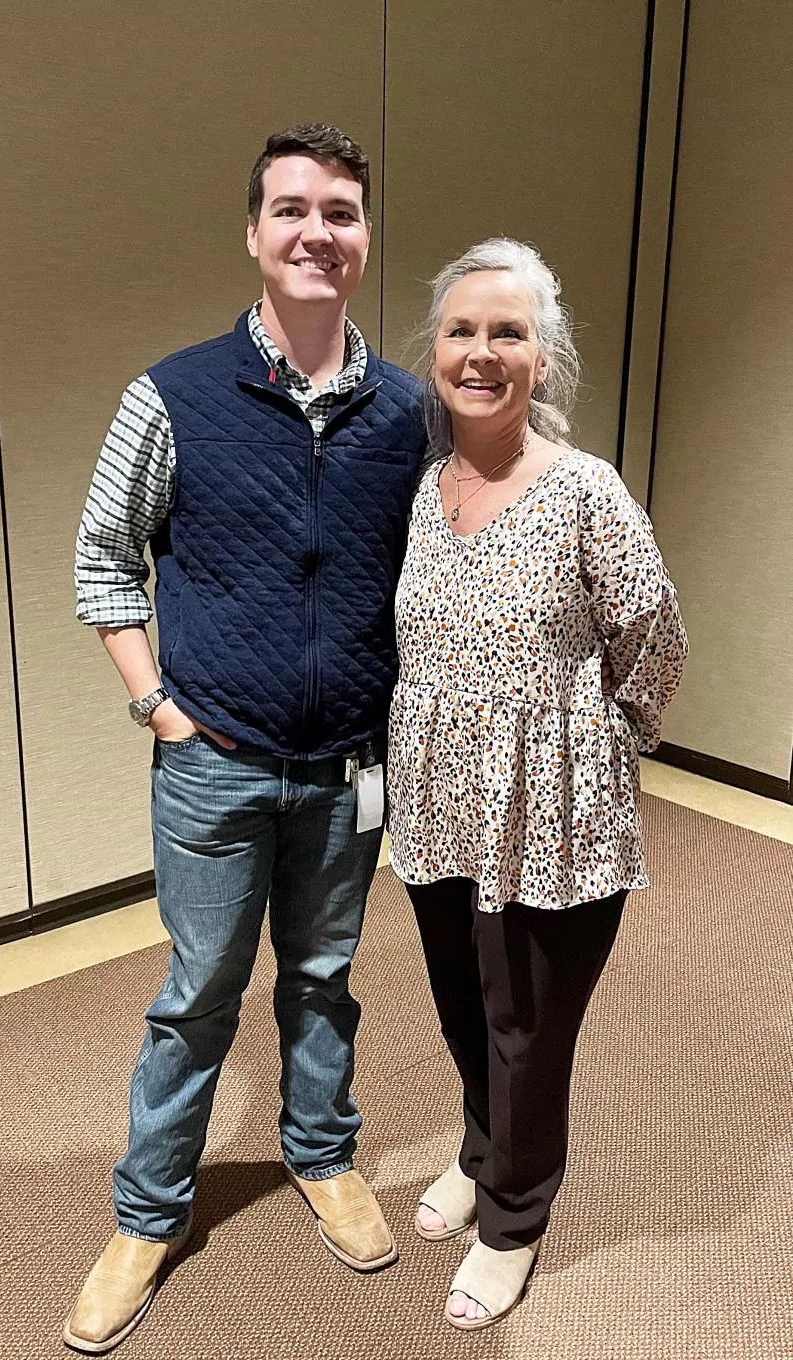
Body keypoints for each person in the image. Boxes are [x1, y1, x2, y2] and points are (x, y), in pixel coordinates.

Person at [65, 123, 425, 1354]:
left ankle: (321, 1154)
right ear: (255, 233)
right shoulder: (170, 394)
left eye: (341, 211)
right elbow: (102, 561)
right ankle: (147, 1214)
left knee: (324, 979)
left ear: (363, 236)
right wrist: (159, 710)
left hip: (347, 769)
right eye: (293, 209)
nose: (318, 231)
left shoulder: (408, 413)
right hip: (211, 761)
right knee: (197, 995)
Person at [386, 238, 688, 1332]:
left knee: (526, 1025)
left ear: (542, 356)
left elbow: (653, 637)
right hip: (437, 802)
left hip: (550, 813)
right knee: (462, 1004)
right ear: (434, 352)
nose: (481, 352)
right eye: (461, 330)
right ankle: (483, 1148)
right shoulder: (424, 490)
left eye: (507, 332)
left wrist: (600, 745)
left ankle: (514, 1218)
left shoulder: (584, 490)